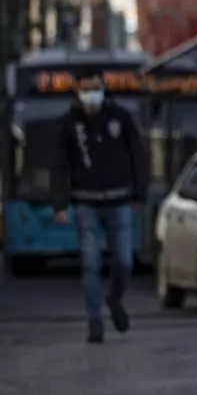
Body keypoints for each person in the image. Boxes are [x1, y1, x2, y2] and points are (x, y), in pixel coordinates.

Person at [52, 72, 147, 344]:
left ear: (103, 89)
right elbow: (60, 166)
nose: (91, 94)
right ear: (78, 93)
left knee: (124, 261)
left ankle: (114, 298)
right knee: (91, 263)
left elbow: (138, 155)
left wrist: (140, 192)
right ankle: (95, 321)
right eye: (85, 89)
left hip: (120, 202)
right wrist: (60, 204)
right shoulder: (68, 124)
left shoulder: (121, 118)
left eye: (95, 88)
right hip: (86, 204)